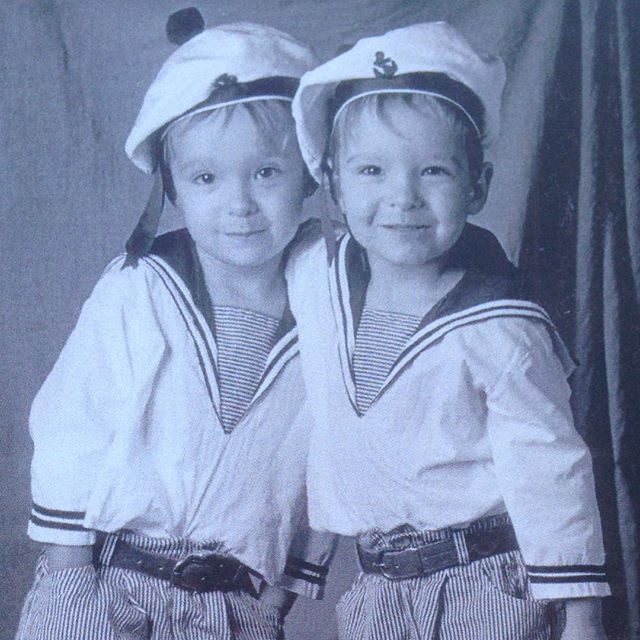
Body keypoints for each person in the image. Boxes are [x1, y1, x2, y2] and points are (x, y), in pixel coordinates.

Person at [287, 22, 610, 640]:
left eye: (433, 171)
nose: (403, 197)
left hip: (483, 583)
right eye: (371, 170)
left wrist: (582, 617)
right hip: (377, 589)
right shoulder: (316, 277)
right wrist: (298, 568)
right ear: (332, 183)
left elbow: (548, 468)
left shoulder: (500, 326)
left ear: (477, 187)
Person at [17, 13, 333, 640]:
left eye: (266, 172)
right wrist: (73, 585)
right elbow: (73, 426)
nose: (239, 204)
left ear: (309, 173)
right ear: (174, 189)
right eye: (206, 178)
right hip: (108, 583)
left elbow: (328, 460)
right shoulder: (141, 289)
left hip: (234, 603)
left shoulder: (328, 306)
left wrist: (279, 596)